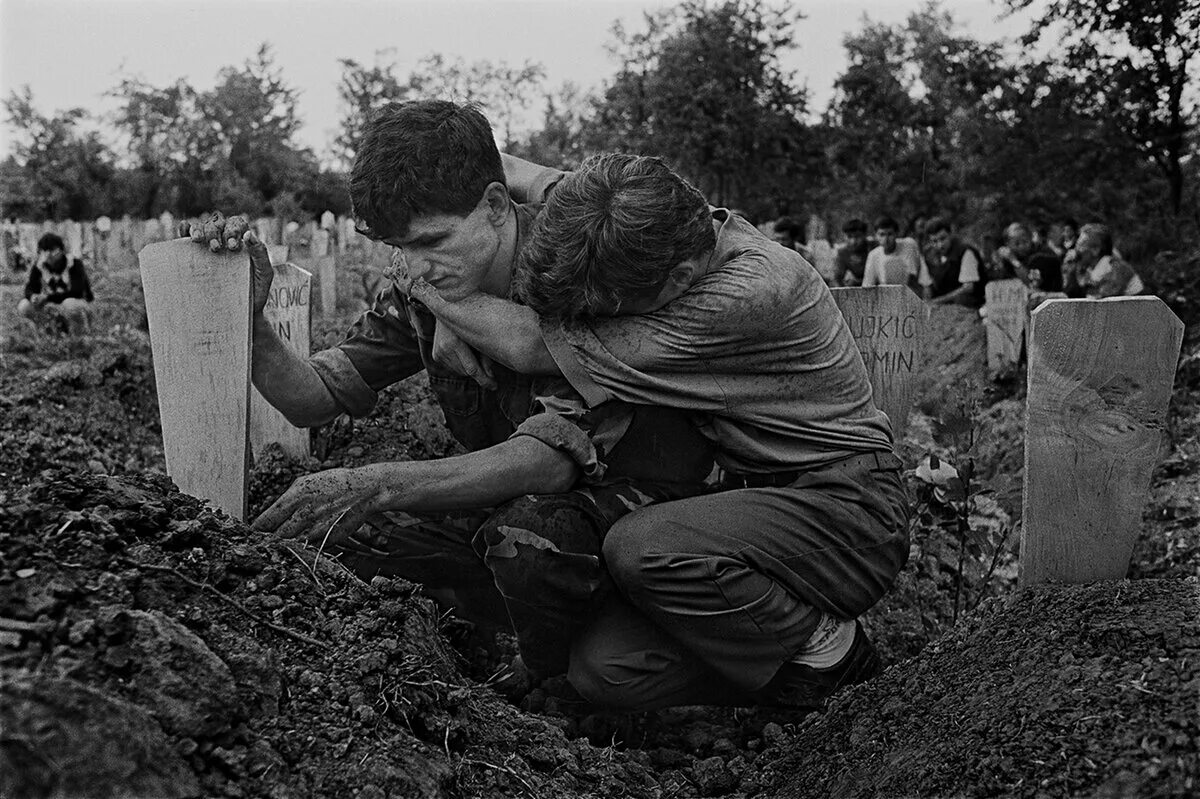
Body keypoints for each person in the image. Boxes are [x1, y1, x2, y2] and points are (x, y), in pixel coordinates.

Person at [185, 100, 714, 682]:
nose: (415, 267)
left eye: (431, 241)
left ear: (493, 205)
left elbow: (549, 464)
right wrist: (252, 318)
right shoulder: (425, 280)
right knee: (337, 532)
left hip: (642, 506)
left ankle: (562, 683)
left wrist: (377, 483)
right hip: (509, 493)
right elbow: (312, 396)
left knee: (529, 539)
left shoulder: (580, 262)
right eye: (398, 247)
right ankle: (478, 639)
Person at [406, 153, 909, 712]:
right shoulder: (637, 213)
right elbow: (494, 166)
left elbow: (528, 345)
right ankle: (766, 667)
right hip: (751, 501)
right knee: (608, 674)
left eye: (606, 312)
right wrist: (421, 231)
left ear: (679, 280)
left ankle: (827, 650)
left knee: (641, 548)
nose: (594, 318)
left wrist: (428, 291)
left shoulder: (745, 295)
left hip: (846, 511)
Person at [17, 232, 94, 334]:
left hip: (79, 306)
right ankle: (48, 331)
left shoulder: (74, 264)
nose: (48, 255)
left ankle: (79, 335)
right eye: (44, 251)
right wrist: (33, 297)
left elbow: (77, 292)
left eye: (52, 250)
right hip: (53, 306)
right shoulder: (39, 266)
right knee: (25, 306)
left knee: (69, 304)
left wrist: (47, 298)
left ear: (61, 250)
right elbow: (30, 288)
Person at [1063, 223, 1144, 298]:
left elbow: (1099, 299)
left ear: (1095, 250)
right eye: (1077, 245)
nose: (1076, 250)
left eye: (1081, 245)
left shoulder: (1115, 268)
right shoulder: (1087, 269)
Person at [920, 216, 985, 306]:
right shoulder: (928, 255)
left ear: (950, 234)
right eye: (934, 241)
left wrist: (937, 301)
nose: (940, 245)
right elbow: (927, 285)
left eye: (943, 239)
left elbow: (968, 288)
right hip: (941, 304)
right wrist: (926, 303)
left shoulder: (964, 251)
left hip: (969, 303)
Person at [989, 222, 1063, 292]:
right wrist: (999, 264)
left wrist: (1014, 261)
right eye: (1017, 243)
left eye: (1025, 242)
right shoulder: (1008, 257)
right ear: (1007, 244)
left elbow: (1031, 284)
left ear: (1030, 239)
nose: (1021, 246)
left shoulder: (1043, 255)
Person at [862, 215, 923, 290]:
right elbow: (867, 286)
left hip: (910, 291)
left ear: (896, 233)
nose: (886, 239)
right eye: (882, 234)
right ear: (876, 235)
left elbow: (913, 277)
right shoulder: (873, 255)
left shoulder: (908, 245)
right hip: (888, 294)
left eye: (890, 234)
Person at [832, 218, 872, 287]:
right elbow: (837, 279)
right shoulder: (842, 253)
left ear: (865, 235)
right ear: (844, 236)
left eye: (857, 237)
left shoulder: (873, 249)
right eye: (849, 237)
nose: (853, 241)